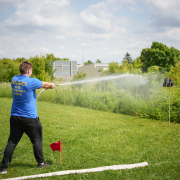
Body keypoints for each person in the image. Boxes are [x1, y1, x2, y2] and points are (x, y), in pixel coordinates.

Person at [0, 61, 55, 174]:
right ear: (29, 71)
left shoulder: (14, 80)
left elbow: (40, 85)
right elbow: (46, 85)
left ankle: (3, 168)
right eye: (31, 71)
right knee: (37, 140)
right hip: (30, 119)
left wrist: (46, 85)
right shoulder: (31, 81)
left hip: (15, 117)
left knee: (12, 142)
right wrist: (51, 85)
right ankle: (41, 163)